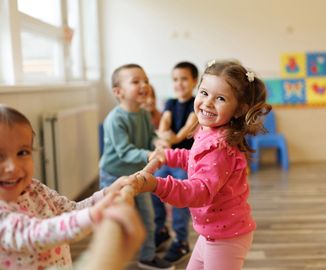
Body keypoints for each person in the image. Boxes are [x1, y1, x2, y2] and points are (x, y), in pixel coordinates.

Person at [118, 59, 272, 269]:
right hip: (211, 232)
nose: (207, 103)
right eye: (204, 93)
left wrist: (156, 185)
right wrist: (167, 155)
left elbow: (198, 192)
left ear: (239, 109)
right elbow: (194, 157)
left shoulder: (220, 147)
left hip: (226, 238)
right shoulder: (208, 130)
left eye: (220, 98)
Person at [0, 104, 145, 270]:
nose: (13, 167)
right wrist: (94, 215)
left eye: (22, 153)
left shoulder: (35, 189)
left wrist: (108, 194)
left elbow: (72, 210)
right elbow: (34, 234)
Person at [98, 64, 173, 270]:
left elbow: (150, 138)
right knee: (115, 220)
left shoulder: (143, 114)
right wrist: (149, 153)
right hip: (113, 176)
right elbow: (124, 151)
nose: (144, 85)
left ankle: (147, 256)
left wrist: (157, 142)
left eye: (146, 80)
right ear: (118, 92)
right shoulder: (115, 119)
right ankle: (109, 259)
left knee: (147, 217)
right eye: (136, 81)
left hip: (138, 175)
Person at [153, 61, 199, 263]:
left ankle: (181, 241)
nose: (179, 83)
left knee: (180, 199)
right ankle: (161, 229)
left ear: (194, 81)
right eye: (175, 79)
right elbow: (164, 123)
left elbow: (185, 131)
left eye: (184, 79)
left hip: (186, 162)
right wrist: (163, 135)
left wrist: (168, 138)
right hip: (169, 159)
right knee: (153, 187)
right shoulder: (170, 103)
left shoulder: (197, 103)